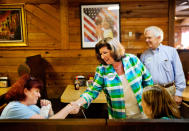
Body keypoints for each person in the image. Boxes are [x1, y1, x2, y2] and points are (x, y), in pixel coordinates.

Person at [70, 37, 153, 119]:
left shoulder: (132, 60)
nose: (102, 57)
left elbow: (148, 81)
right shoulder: (102, 69)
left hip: (142, 112)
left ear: (115, 50)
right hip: (118, 117)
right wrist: (77, 103)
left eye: (105, 53)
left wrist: (150, 103)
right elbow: (92, 91)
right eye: (100, 54)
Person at [140, 26, 186, 105]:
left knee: (170, 116)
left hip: (169, 91)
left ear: (158, 38)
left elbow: (179, 73)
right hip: (151, 92)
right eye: (145, 38)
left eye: (149, 38)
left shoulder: (171, 51)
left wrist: (178, 93)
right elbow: (141, 77)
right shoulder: (144, 55)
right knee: (153, 117)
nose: (146, 40)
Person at [0, 74, 78, 119]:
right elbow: (47, 125)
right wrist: (68, 108)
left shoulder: (31, 106)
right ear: (26, 91)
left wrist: (49, 108)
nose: (39, 95)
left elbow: (48, 121)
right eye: (37, 91)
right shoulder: (15, 108)